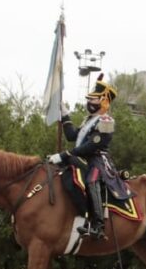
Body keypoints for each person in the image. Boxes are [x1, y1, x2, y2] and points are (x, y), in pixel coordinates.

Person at [48, 74, 118, 239]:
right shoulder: (89, 121)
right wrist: (65, 115)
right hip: (83, 158)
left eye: (94, 100)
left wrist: (64, 154)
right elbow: (72, 136)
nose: (90, 103)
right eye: (90, 100)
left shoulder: (106, 121)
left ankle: (98, 225)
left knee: (92, 180)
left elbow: (91, 146)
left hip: (98, 160)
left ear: (104, 101)